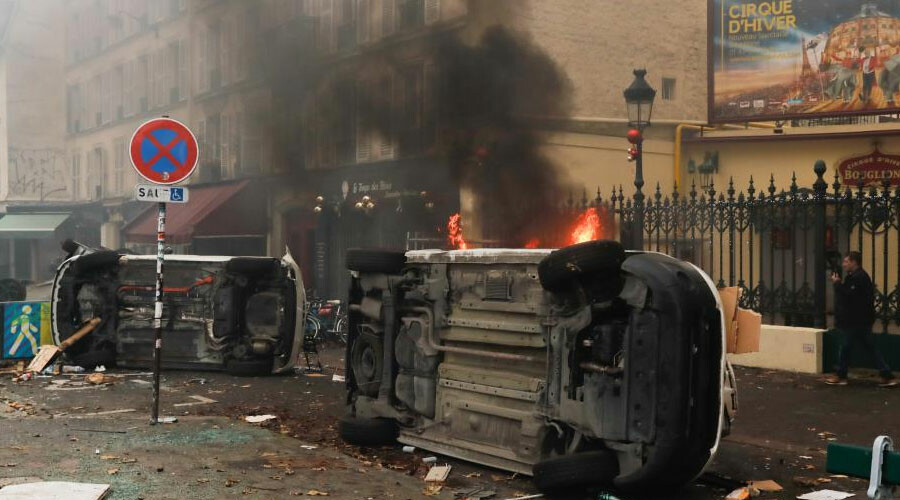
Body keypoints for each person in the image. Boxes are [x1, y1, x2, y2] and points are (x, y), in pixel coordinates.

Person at [825, 251, 897, 387]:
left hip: (856, 320)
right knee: (867, 347)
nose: (844, 264)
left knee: (846, 346)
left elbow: (849, 296)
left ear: (854, 262)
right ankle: (886, 375)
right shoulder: (854, 276)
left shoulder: (859, 277)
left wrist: (837, 284)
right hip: (858, 320)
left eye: (846, 261)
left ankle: (841, 376)